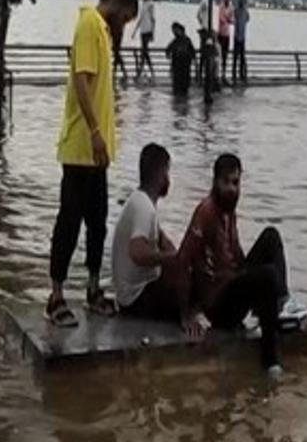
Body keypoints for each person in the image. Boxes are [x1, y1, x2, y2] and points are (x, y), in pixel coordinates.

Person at [46, 0, 140, 326]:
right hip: (80, 148)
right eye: (126, 18)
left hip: (97, 154)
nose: (125, 25)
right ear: (117, 3)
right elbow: (82, 82)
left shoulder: (102, 30)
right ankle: (55, 296)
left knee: (97, 223)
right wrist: (96, 132)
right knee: (69, 222)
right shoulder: (88, 23)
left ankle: (92, 287)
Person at [179, 154, 290, 375]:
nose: (231, 188)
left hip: (233, 283)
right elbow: (183, 260)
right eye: (226, 182)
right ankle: (270, 361)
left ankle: (278, 303)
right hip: (219, 305)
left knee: (271, 236)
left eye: (236, 183)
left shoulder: (229, 210)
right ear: (215, 182)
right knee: (267, 276)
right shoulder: (206, 212)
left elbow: (236, 255)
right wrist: (188, 313)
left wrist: (252, 278)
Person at [112, 143, 207, 337]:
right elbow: (137, 252)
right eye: (168, 172)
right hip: (136, 301)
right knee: (202, 286)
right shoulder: (144, 208)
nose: (168, 179)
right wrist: (171, 259)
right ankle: (185, 318)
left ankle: (186, 311)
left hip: (131, 296)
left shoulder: (141, 202)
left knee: (188, 267)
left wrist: (177, 256)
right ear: (161, 174)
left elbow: (164, 241)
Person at [166, 22, 195, 97]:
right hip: (180, 67)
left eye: (175, 30)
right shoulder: (181, 41)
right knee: (181, 87)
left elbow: (192, 53)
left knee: (181, 86)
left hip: (182, 66)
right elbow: (168, 50)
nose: (174, 32)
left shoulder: (183, 41)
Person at [133, 0, 156, 80]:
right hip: (143, 30)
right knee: (145, 52)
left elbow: (153, 19)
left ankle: (140, 72)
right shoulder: (143, 4)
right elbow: (141, 18)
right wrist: (135, 30)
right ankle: (150, 71)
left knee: (144, 52)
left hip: (147, 30)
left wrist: (152, 33)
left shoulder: (150, 5)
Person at [232, 0, 250, 84]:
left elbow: (247, 19)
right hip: (236, 36)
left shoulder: (245, 11)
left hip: (243, 37)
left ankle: (242, 75)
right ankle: (234, 75)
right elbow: (234, 19)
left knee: (242, 57)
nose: (241, 0)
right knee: (235, 57)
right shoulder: (236, 10)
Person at [217, 0, 234, 83]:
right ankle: (218, 74)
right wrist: (228, 20)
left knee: (225, 55)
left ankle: (223, 74)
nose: (227, 0)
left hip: (227, 34)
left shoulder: (231, 7)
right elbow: (221, 18)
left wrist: (228, 20)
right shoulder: (221, 6)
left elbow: (232, 19)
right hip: (220, 33)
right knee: (219, 54)